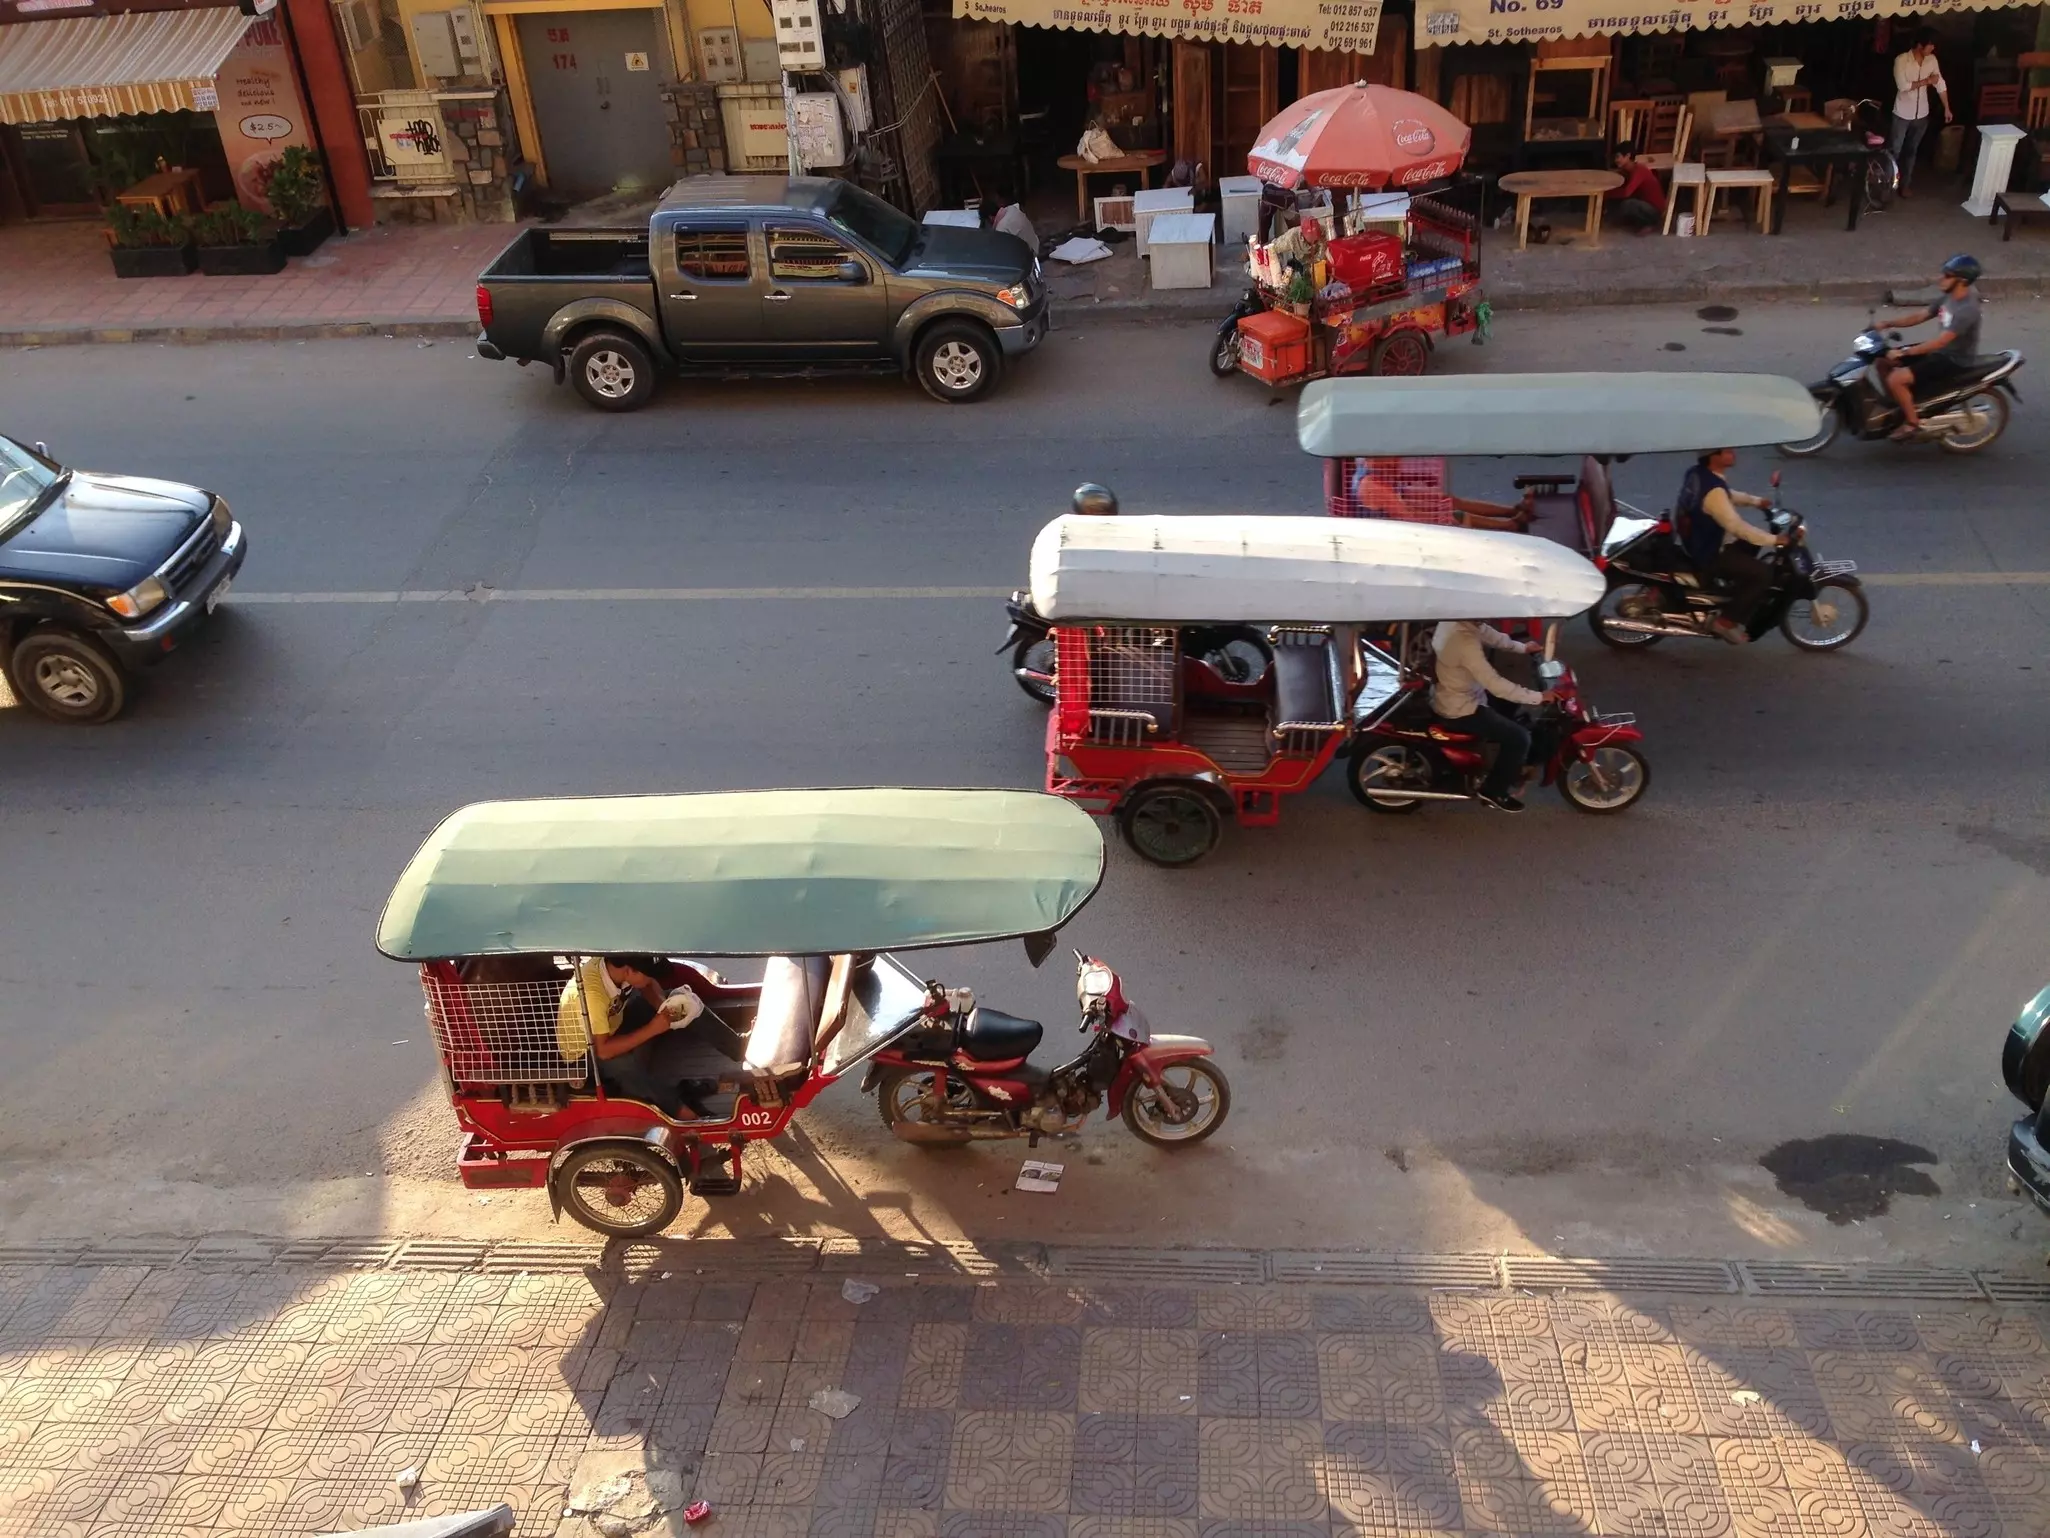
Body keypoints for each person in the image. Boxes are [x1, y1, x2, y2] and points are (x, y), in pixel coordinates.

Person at [570, 954, 749, 1117]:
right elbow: (603, 1051)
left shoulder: (619, 967)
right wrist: (653, 1028)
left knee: (685, 1003)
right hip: (585, 1056)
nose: (651, 977)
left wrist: (662, 1006)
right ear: (629, 970)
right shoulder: (593, 993)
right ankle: (681, 1112)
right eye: (649, 973)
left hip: (613, 1023)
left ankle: (739, 1047)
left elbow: (647, 983)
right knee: (622, 1065)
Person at [1430, 619, 1559, 813]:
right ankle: (1494, 790)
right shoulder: (1465, 642)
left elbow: (1488, 634)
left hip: (1460, 691)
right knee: (1519, 738)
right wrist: (1539, 697)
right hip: (1461, 707)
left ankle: (1502, 762)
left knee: (1511, 704)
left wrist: (1523, 648)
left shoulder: (1454, 622)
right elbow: (1495, 684)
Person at [1672, 448, 1786, 644]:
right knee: (1764, 574)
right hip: (1710, 551)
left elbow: (1726, 494)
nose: (1733, 454)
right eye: (1727, 452)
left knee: (1750, 544)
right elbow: (1735, 525)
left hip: (1695, 540)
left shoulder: (1698, 473)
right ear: (1713, 457)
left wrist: (1756, 502)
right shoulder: (1714, 489)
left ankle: (1732, 595)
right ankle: (1726, 621)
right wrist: (1774, 540)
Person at [1877, 253, 1982, 439]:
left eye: (1948, 276)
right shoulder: (1949, 297)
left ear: (1962, 281)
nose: (1941, 279)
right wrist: (1888, 323)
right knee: (1882, 360)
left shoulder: (1967, 309)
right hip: (1942, 351)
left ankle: (1912, 423)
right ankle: (1901, 403)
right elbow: (1920, 316)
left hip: (1954, 359)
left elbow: (1941, 342)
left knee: (1896, 379)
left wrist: (1905, 352)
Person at [1350, 457, 1536, 530]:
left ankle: (1511, 511)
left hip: (1395, 498)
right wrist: (1440, 515)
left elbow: (1396, 478)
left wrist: (1419, 478)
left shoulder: (1374, 468)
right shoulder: (1373, 486)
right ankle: (1511, 525)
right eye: (1392, 459)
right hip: (1393, 523)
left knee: (1448, 500)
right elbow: (1409, 517)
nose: (1397, 461)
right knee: (1453, 513)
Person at [1887, 28, 1950, 197]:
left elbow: (1940, 84)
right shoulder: (1902, 60)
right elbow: (1903, 86)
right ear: (1920, 45)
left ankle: (1905, 185)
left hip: (1921, 113)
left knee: (1911, 151)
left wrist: (1947, 107)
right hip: (1902, 113)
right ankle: (1887, 185)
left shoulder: (1932, 60)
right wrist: (1927, 81)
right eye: (1930, 45)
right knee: (1895, 150)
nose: (1932, 49)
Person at [1606, 142, 1666, 235]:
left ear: (1628, 156)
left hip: (1655, 210)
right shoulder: (1628, 170)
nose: (1616, 160)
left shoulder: (1639, 170)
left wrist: (1606, 193)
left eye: (1618, 157)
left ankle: (1651, 224)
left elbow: (1626, 193)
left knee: (1628, 203)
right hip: (1645, 203)